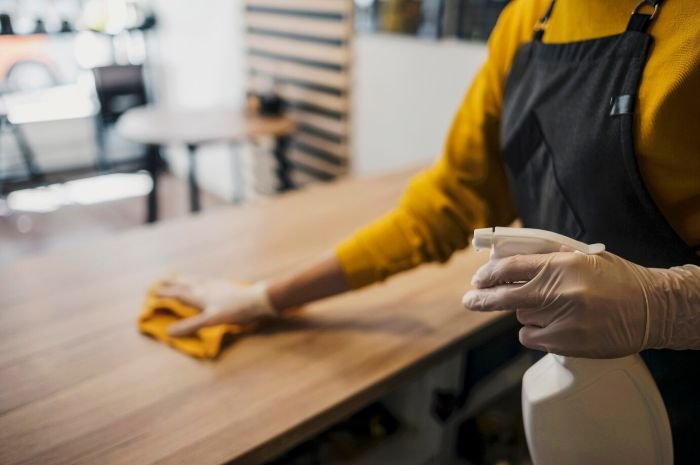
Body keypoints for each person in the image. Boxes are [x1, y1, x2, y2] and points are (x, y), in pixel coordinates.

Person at [157, 0, 700, 462]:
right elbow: (446, 204)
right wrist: (264, 298)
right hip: (577, 385)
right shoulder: (531, 18)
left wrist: (668, 305)